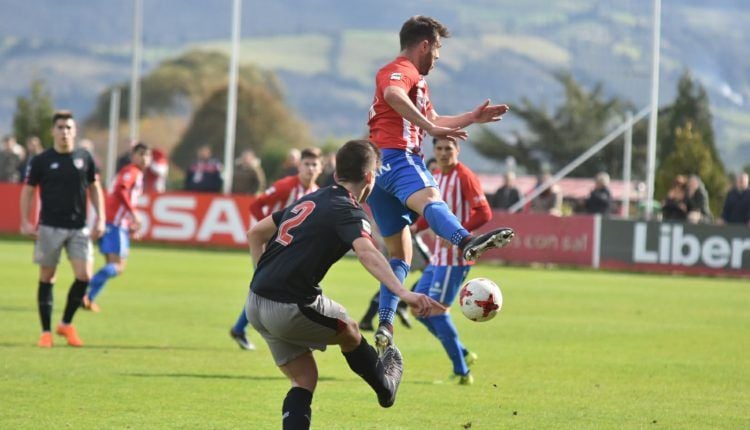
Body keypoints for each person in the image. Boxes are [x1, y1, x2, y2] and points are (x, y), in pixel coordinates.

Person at [245, 139, 443, 429]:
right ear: (370, 177)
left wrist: (262, 275)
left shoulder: (314, 197)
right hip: (290, 305)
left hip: (255, 302)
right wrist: (402, 292)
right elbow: (366, 252)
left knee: (304, 379)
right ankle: (385, 386)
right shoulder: (348, 209)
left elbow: (255, 233)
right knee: (349, 330)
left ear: (336, 174)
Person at [366, 15, 514, 353]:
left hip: (379, 169)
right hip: (398, 156)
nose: (439, 56)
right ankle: (464, 242)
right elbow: (393, 94)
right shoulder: (401, 69)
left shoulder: (417, 81)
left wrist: (472, 119)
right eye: (438, 48)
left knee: (400, 256)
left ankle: (385, 322)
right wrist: (427, 129)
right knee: (433, 198)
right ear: (424, 45)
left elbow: (432, 120)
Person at [19, 110, 106, 347]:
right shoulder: (41, 160)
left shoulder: (84, 158)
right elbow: (28, 191)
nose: (64, 132)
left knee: (84, 276)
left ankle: (65, 324)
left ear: (75, 131)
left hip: (78, 227)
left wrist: (101, 218)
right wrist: (26, 221)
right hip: (49, 226)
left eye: (69, 127)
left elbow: (95, 189)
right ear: (53, 131)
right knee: (47, 277)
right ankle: (45, 332)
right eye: (60, 127)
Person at [410, 137, 492, 385]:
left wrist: (459, 234)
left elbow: (484, 213)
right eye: (439, 148)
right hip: (438, 257)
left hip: (455, 259)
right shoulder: (436, 175)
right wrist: (414, 228)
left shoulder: (464, 176)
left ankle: (462, 371)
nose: (444, 153)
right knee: (418, 308)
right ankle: (463, 352)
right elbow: (431, 211)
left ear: (458, 150)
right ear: (433, 151)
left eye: (449, 148)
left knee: (434, 311)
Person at [230, 147, 323, 350]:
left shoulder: (316, 192)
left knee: (266, 290)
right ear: (299, 166)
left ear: (321, 168)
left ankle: (240, 329)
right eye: (306, 164)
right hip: (270, 246)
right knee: (264, 289)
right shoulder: (285, 186)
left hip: (290, 250)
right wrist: (263, 231)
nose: (310, 168)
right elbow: (257, 204)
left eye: (314, 164)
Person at [82, 143, 152, 312]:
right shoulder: (131, 171)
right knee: (118, 266)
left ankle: (88, 299)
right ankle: (82, 291)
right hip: (114, 224)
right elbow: (121, 191)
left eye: (147, 155)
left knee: (112, 265)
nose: (144, 158)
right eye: (140, 154)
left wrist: (130, 224)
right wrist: (133, 213)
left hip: (116, 223)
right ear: (133, 155)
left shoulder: (135, 173)